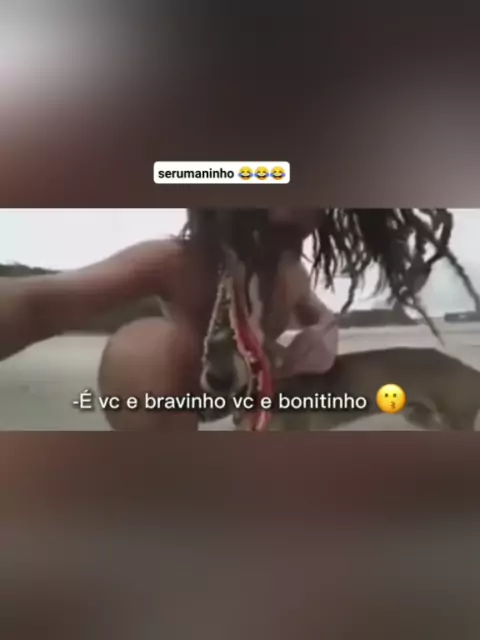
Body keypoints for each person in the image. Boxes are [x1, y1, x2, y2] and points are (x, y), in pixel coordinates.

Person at [0, 208, 474, 431]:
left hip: (267, 397)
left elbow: (320, 317)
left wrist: (321, 336)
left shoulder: (291, 274)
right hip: (181, 390)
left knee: (431, 369)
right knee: (145, 350)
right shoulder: (179, 262)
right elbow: (41, 302)